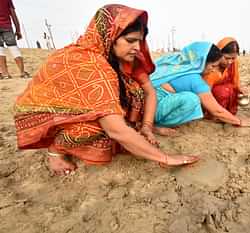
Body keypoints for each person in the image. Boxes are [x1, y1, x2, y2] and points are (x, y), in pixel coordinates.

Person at [14, 4, 199, 176]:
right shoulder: (89, 63)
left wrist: (147, 127)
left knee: (136, 93)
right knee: (94, 130)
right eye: (130, 40)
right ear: (110, 37)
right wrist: (166, 158)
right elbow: (116, 130)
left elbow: (149, 91)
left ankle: (134, 129)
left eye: (139, 41)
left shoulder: (127, 58)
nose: (137, 47)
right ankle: (56, 151)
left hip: (103, 112)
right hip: (57, 115)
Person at [150, 41, 248, 128]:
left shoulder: (176, 63)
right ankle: (158, 126)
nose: (213, 69)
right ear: (201, 62)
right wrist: (238, 122)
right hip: (151, 110)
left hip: (144, 103)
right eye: (212, 66)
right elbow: (217, 111)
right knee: (192, 99)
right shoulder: (194, 79)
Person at [203, 37, 247, 115]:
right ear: (219, 53)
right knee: (223, 91)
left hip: (224, 93)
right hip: (211, 95)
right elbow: (205, 91)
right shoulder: (211, 65)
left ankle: (228, 112)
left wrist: (240, 88)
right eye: (227, 58)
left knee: (232, 89)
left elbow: (235, 81)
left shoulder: (234, 63)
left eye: (233, 58)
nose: (230, 62)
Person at [0, 0, 30, 79]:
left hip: (6, 26)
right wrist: (18, 29)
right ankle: (22, 72)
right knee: (14, 48)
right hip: (7, 26)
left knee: (0, 50)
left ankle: (5, 74)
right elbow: (13, 15)